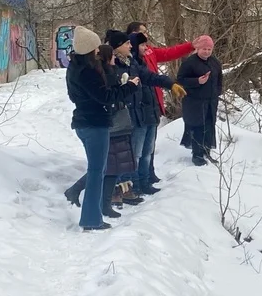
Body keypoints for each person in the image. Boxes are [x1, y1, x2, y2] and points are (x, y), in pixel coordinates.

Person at [64, 27, 138, 231]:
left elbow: (79, 96)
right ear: (89, 48)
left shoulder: (75, 67)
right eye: (96, 46)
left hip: (85, 121)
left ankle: (92, 214)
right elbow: (105, 96)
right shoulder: (87, 71)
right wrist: (130, 86)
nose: (99, 49)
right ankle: (90, 218)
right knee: (97, 171)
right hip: (94, 124)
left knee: (99, 169)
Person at [125, 22, 193, 185]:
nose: (146, 37)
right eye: (142, 34)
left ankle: (147, 176)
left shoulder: (147, 54)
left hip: (152, 104)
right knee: (137, 150)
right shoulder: (128, 60)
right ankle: (134, 182)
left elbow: (170, 53)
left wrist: (190, 46)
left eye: (146, 33)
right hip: (138, 110)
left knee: (149, 147)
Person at [176, 34, 223, 166]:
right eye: (204, 49)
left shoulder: (215, 62)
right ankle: (197, 154)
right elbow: (180, 80)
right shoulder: (189, 62)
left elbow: (219, 80)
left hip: (211, 101)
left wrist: (217, 93)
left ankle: (206, 151)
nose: (207, 52)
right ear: (198, 49)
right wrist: (197, 81)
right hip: (194, 101)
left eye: (209, 49)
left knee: (209, 125)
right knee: (197, 127)